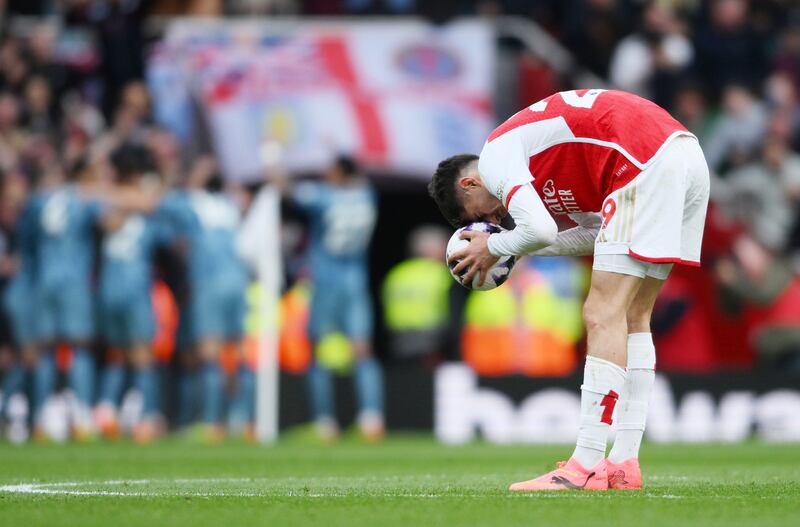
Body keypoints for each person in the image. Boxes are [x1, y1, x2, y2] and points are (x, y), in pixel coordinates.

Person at [428, 89, 709, 491]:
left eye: (484, 215)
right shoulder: (543, 170)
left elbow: (539, 230)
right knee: (633, 315)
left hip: (643, 160)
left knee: (600, 313)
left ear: (471, 182)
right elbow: (596, 233)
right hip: (681, 156)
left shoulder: (495, 157)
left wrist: (495, 246)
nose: (496, 219)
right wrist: (515, 250)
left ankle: (585, 465)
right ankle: (624, 462)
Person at [288, 155, 385, 442]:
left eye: (330, 171)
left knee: (317, 350)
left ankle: (324, 421)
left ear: (340, 174)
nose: (324, 175)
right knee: (362, 351)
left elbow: (291, 190)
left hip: (326, 280)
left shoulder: (325, 197)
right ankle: (371, 418)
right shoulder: (367, 196)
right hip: (354, 281)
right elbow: (359, 179)